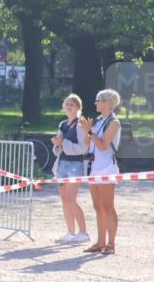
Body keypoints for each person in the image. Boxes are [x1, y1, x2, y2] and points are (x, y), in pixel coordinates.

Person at [80, 89, 122, 255]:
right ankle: (100, 242)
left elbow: (104, 145)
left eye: (98, 100)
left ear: (107, 102)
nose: (96, 103)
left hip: (107, 168)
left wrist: (90, 131)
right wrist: (87, 131)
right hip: (94, 168)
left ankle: (111, 244)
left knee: (108, 206)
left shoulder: (114, 122)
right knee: (97, 206)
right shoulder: (97, 120)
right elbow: (87, 143)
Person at [49, 94, 90, 244]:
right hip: (62, 164)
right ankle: (70, 232)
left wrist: (63, 142)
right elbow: (58, 146)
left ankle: (83, 232)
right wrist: (57, 143)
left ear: (78, 107)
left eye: (72, 104)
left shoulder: (81, 124)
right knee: (65, 200)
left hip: (75, 165)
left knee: (72, 200)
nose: (69, 106)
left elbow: (82, 148)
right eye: (67, 104)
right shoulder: (62, 124)